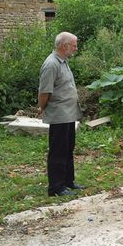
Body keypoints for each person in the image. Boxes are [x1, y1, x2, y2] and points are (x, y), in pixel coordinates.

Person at [38, 32, 84, 197]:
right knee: (58, 150)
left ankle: (68, 181)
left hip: (68, 114)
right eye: (74, 45)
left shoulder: (63, 61)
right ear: (64, 46)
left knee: (68, 148)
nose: (76, 48)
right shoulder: (51, 64)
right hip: (59, 115)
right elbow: (44, 91)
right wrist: (41, 108)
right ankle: (56, 188)